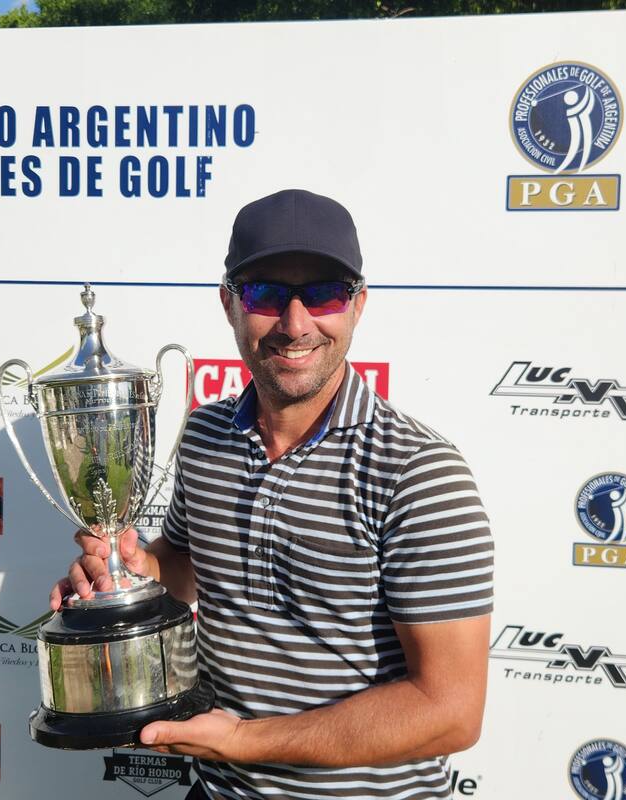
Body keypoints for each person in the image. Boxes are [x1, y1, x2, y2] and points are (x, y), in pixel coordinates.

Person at [51, 188, 494, 800]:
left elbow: (450, 710)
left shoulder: (417, 471)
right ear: (229, 303)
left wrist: (243, 740)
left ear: (358, 305)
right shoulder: (204, 435)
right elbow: (184, 569)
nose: (294, 323)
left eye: (322, 294)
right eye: (264, 293)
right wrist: (130, 568)